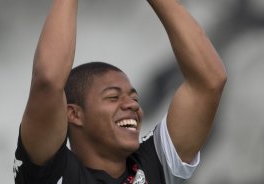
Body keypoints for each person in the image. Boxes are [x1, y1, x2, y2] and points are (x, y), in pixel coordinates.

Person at [13, 0, 227, 183]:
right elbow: (48, 81)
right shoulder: (48, 172)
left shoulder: (156, 163)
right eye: (113, 97)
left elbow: (209, 82)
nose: (133, 105)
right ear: (74, 114)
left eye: (134, 98)